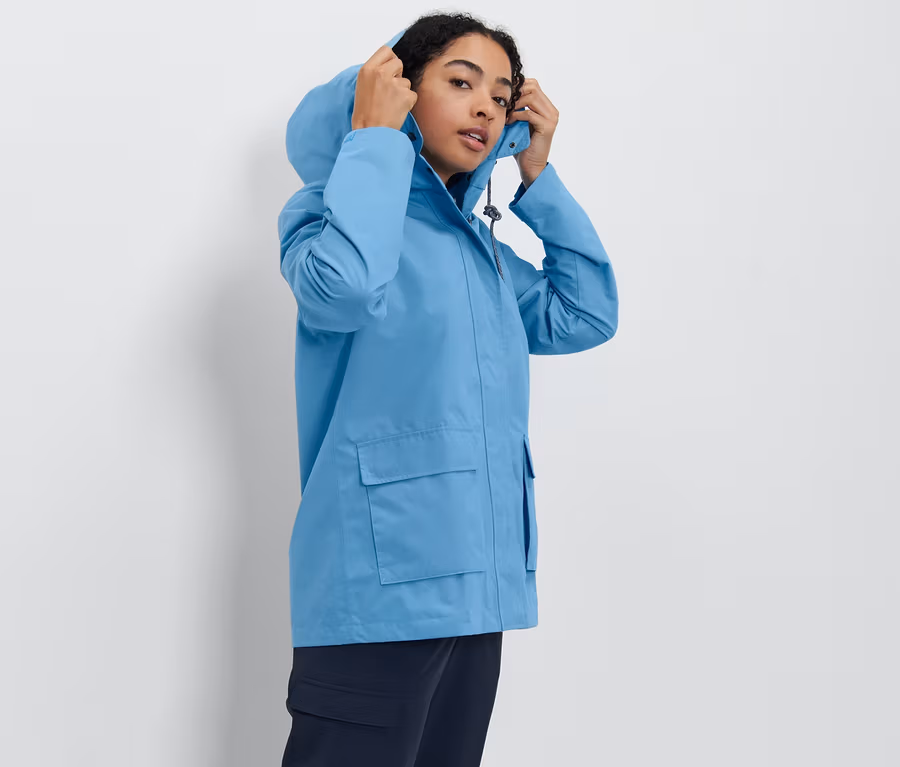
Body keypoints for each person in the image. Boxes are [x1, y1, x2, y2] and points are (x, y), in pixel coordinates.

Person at [276, 11, 619, 766]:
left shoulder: (479, 251)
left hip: (476, 590)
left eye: (500, 96)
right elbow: (344, 290)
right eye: (461, 83)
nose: (485, 108)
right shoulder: (329, 218)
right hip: (376, 595)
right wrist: (372, 137)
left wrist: (538, 175)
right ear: (398, 92)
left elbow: (586, 313)